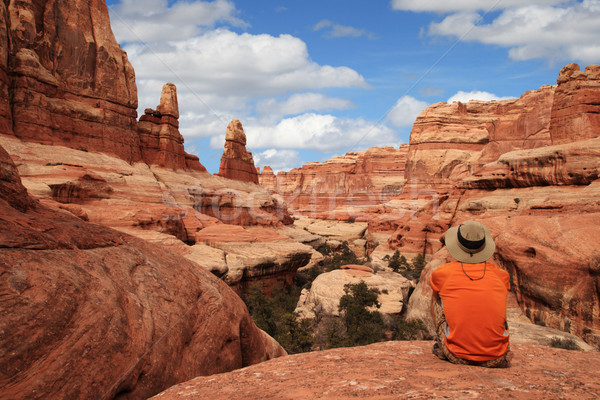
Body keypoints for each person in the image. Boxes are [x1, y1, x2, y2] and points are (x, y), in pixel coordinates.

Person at [430, 220, 510, 368]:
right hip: (497, 357)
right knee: (496, 299)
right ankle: (492, 341)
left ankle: (444, 342)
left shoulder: (442, 273)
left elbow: (437, 305)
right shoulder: (502, 275)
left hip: (456, 355)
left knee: (436, 297)